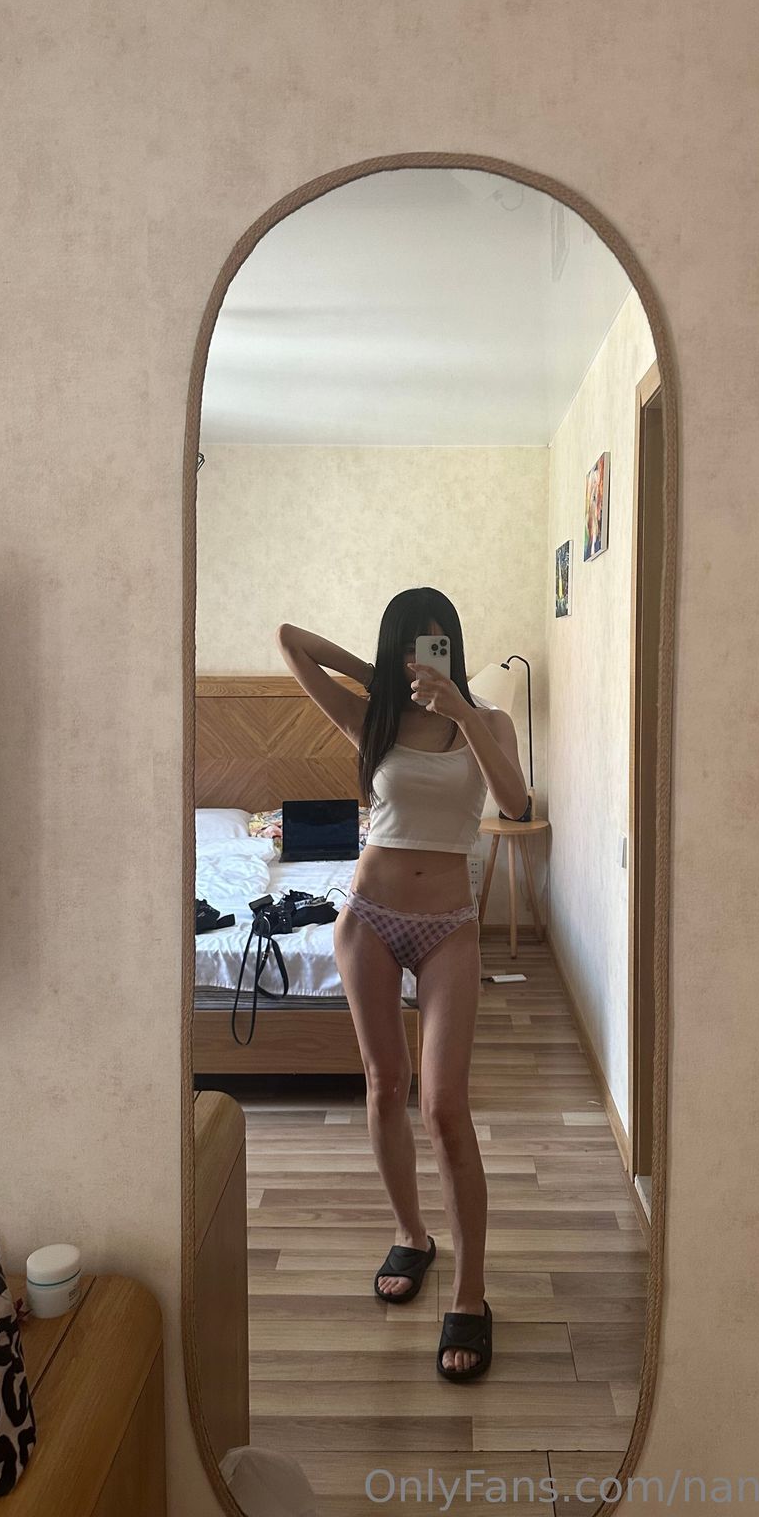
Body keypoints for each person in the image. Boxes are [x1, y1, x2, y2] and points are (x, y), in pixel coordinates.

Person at [276, 588, 529, 1381]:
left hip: (449, 925)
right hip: (370, 917)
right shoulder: (373, 719)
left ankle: (471, 1293)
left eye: (437, 641)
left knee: (445, 1105)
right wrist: (382, 677)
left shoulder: (489, 721)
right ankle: (411, 1235)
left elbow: (516, 801)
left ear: (456, 644)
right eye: (412, 644)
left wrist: (459, 708)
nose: (426, 654)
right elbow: (291, 639)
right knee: (385, 1084)